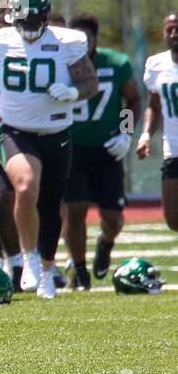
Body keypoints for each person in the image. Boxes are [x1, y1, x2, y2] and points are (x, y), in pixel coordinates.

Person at [0, 0, 98, 298]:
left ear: (45, 15)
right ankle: (27, 260)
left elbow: (90, 83)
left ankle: (45, 269)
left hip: (57, 133)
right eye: (23, 20)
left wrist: (72, 92)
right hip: (15, 131)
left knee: (51, 207)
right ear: (12, 16)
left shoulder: (68, 42)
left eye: (34, 20)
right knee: (26, 186)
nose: (29, 27)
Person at [62, 14, 142, 289]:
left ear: (95, 39)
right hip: (73, 147)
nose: (81, 46)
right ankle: (80, 270)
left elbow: (133, 99)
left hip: (107, 148)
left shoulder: (116, 62)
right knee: (74, 209)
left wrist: (126, 131)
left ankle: (105, 242)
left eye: (86, 40)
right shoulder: (60, 62)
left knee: (113, 218)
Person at [138, 13, 178, 234]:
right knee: (173, 220)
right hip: (172, 149)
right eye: (169, 29)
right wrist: (143, 135)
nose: (174, 34)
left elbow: (130, 101)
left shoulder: (117, 66)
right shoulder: (155, 64)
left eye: (177, 28)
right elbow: (151, 105)